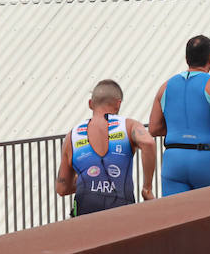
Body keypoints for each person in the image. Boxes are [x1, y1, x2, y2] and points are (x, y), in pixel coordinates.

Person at [148, 35, 210, 196]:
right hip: (204, 156)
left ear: (186, 58)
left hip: (173, 159)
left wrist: (178, 130)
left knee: (177, 216)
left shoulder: (165, 86)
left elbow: (153, 128)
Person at [55, 80, 156, 214]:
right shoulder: (128, 125)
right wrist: (147, 188)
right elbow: (149, 143)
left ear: (90, 104)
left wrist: (89, 178)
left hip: (86, 206)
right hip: (121, 205)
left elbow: (62, 188)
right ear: (118, 104)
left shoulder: (72, 136)